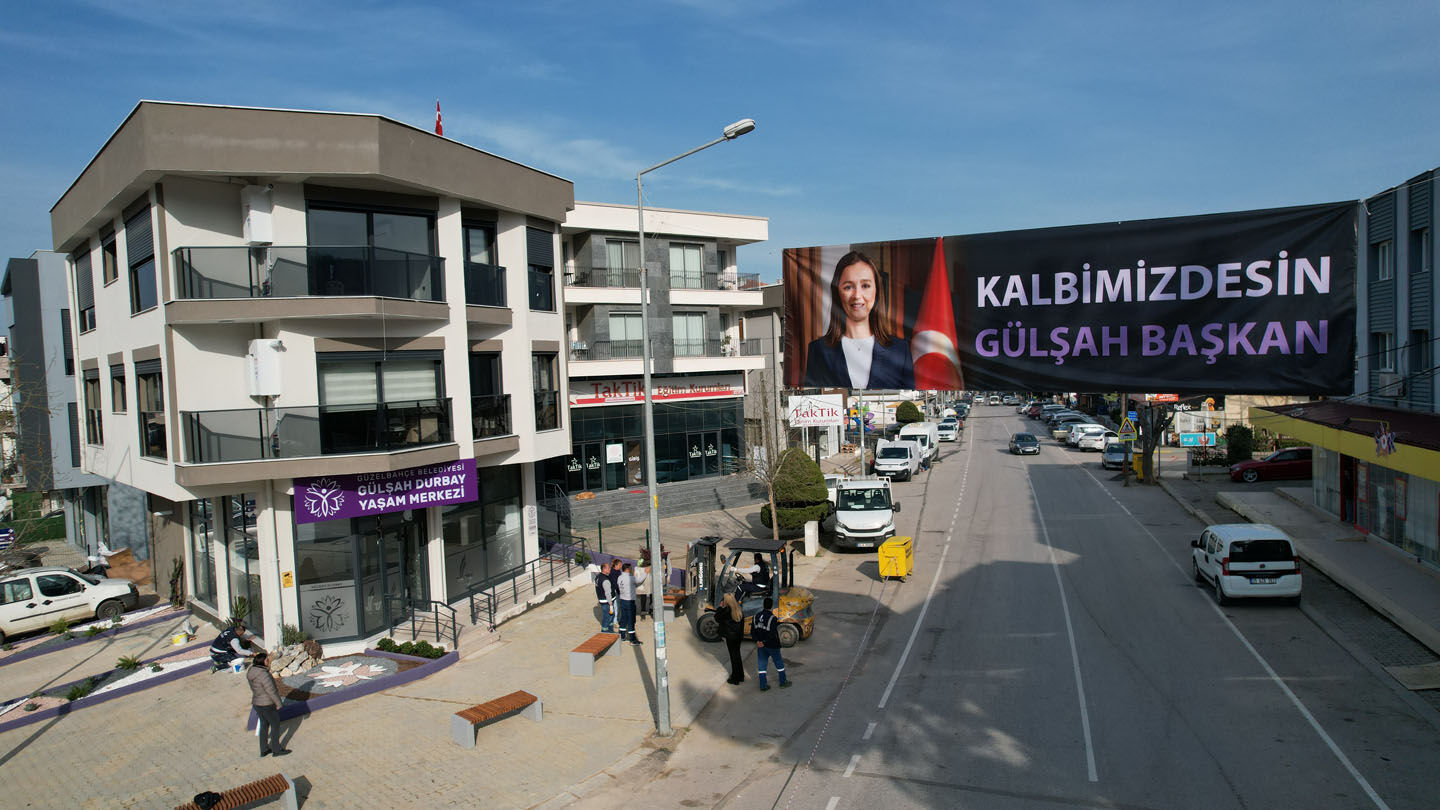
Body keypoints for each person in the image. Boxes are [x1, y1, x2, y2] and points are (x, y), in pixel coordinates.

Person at [803, 251, 914, 389]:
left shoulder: (900, 351)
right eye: (848, 287)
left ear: (877, 291)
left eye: (865, 286)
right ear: (837, 293)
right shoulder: (818, 350)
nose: (857, 295)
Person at [247, 651, 290, 757]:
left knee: (264, 725)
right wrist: (279, 703)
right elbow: (271, 691)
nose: (268, 661)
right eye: (267, 660)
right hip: (267, 704)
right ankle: (276, 749)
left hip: (257, 703)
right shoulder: (264, 675)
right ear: (262, 662)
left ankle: (264, 749)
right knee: (275, 726)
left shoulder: (251, 671)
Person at [752, 597, 790, 691]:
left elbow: (752, 631)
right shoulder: (773, 618)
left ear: (763, 605)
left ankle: (763, 686)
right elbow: (772, 634)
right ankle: (783, 682)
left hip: (760, 645)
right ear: (772, 606)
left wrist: (758, 641)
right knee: (779, 663)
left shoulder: (756, 616)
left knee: (762, 666)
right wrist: (764, 642)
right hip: (772, 646)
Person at [716, 592, 745, 685]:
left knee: (733, 657)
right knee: (737, 655)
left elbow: (717, 618)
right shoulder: (738, 609)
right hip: (738, 636)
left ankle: (735, 678)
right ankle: (741, 675)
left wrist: (720, 607)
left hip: (730, 637)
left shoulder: (726, 610)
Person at [616, 563, 644, 645]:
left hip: (622, 600)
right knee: (631, 620)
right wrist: (645, 572)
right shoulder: (630, 578)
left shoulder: (619, 578)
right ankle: (632, 639)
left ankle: (622, 636)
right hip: (629, 601)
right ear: (628, 569)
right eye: (630, 568)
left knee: (624, 618)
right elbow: (639, 581)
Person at [594, 560, 616, 633]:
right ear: (604, 569)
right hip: (607, 602)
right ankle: (605, 631)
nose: (610, 569)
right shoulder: (605, 580)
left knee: (609, 616)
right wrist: (610, 603)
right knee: (608, 616)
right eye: (608, 568)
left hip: (602, 600)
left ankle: (610, 630)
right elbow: (608, 593)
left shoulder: (598, 577)